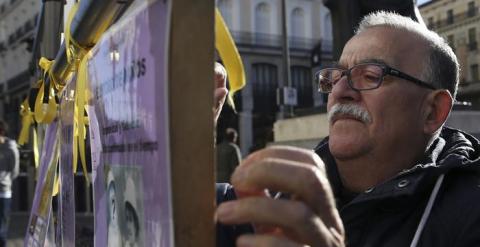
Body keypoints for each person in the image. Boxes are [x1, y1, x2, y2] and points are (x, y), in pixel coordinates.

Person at [214, 12, 480, 247]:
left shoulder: (470, 213)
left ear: (432, 110)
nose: (340, 91)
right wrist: (186, 131)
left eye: (371, 76)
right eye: (336, 77)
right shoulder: (269, 198)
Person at [0, 120, 19, 247]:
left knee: (2, 227)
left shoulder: (10, 148)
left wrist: (5, 181)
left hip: (4, 191)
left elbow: (15, 171)